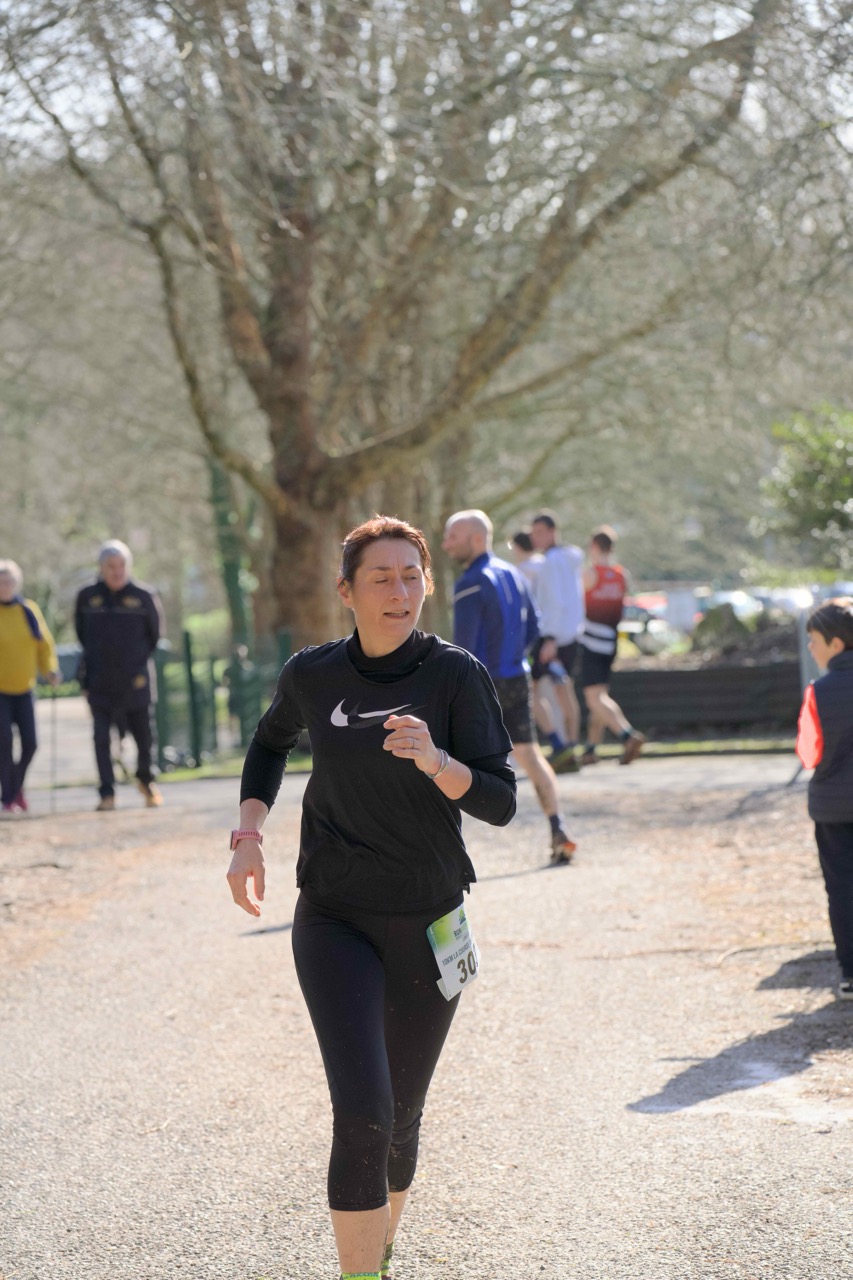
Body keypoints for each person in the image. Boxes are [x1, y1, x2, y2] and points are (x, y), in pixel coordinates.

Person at [226, 515, 516, 1280]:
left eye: (411, 576)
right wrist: (248, 833)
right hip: (335, 916)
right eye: (381, 578)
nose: (399, 591)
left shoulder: (454, 675)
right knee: (363, 1113)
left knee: (401, 1118)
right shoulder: (313, 674)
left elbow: (500, 801)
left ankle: (377, 1253)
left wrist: (437, 760)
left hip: (430, 918)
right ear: (346, 592)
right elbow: (269, 741)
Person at [445, 510, 577, 864]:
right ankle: (558, 828)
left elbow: (463, 647)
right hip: (517, 679)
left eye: (452, 537)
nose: (445, 545)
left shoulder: (470, 582)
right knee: (531, 756)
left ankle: (440, 848)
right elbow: (534, 628)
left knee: (443, 758)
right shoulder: (514, 574)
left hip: (481, 683)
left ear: (476, 538)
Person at [74, 540, 164, 811]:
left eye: (122, 565)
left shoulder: (144, 595)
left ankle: (146, 782)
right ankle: (107, 793)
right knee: (101, 739)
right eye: (111, 566)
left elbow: (154, 636)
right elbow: (82, 634)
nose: (117, 571)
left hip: (136, 681)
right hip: (99, 681)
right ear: (101, 568)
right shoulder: (87, 597)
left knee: (145, 738)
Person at [795, 597, 853, 1001]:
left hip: (834, 809)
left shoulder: (817, 692)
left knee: (842, 889)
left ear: (836, 644)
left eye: (814, 640)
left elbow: (808, 753)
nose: (810, 648)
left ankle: (850, 973)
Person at [578, 526, 645, 766]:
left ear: (594, 547)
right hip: (611, 642)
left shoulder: (589, 574)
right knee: (600, 696)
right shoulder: (621, 575)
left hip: (591, 641)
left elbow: (575, 606)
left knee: (594, 699)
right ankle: (591, 749)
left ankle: (627, 735)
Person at [0, 560, 60, 815]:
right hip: (0, 692)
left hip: (25, 689)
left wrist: (50, 670)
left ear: (17, 583)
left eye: (9, 581)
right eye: (1, 582)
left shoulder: (29, 610)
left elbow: (44, 646)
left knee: (31, 743)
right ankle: (9, 798)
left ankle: (15, 788)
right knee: (3, 743)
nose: (5, 586)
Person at [527, 511, 584, 765]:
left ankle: (560, 744)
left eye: (539, 532)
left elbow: (554, 601)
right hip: (570, 635)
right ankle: (571, 747)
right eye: (533, 533)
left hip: (551, 636)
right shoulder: (570, 560)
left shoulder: (550, 561)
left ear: (552, 532)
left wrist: (550, 638)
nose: (535, 537)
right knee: (564, 692)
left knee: (531, 691)